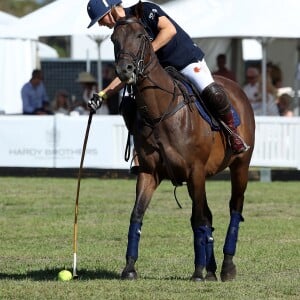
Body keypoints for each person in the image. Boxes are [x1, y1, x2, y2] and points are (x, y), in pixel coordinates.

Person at [86, 0, 249, 154]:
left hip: (185, 61)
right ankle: (140, 153)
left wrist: (147, 51)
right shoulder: (121, 35)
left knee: (212, 92)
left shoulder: (145, 10)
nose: (100, 24)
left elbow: (169, 30)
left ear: (111, 10)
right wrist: (103, 94)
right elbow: (125, 73)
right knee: (130, 105)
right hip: (160, 72)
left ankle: (233, 133)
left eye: (100, 19)